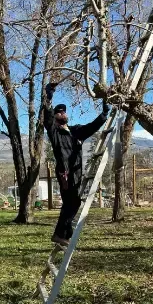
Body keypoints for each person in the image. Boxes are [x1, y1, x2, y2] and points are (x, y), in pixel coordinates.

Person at [44, 82, 110, 246]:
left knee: (71, 203)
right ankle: (60, 233)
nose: (62, 114)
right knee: (73, 202)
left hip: (77, 172)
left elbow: (91, 127)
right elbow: (47, 117)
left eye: (64, 112)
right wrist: (48, 96)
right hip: (65, 173)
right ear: (56, 117)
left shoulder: (75, 131)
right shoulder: (55, 132)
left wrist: (104, 113)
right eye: (59, 113)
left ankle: (65, 233)